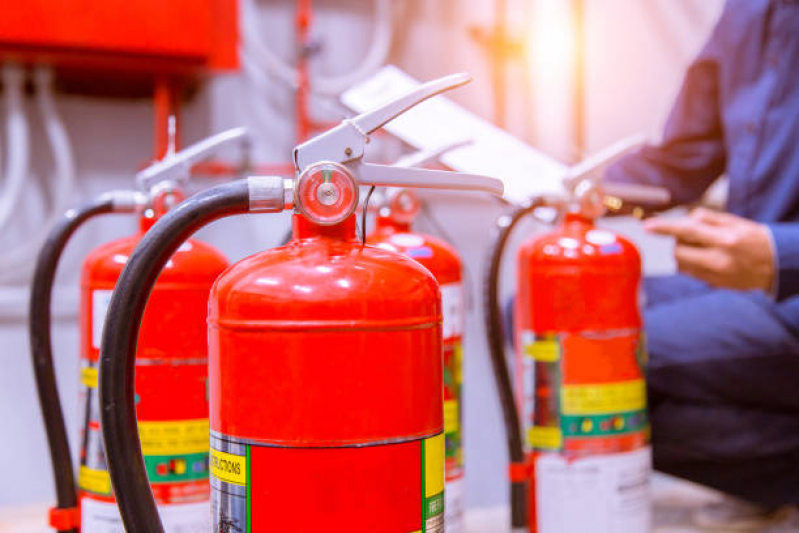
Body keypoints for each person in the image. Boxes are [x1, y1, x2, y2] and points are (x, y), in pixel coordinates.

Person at [605, 0, 799, 527]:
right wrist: (569, 185)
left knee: (596, 359)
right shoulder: (748, 12)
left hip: (784, 280)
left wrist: (784, 254)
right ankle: (769, 478)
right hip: (751, 284)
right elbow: (683, 159)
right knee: (545, 316)